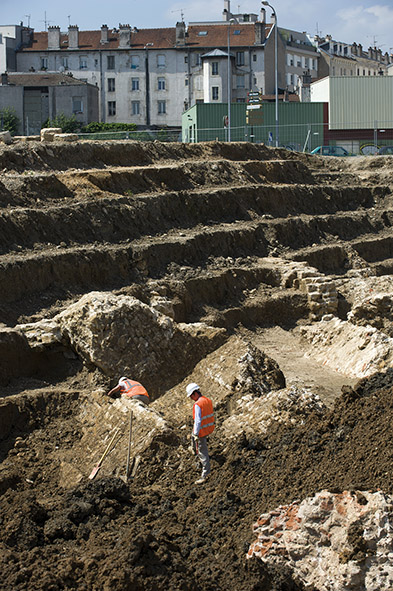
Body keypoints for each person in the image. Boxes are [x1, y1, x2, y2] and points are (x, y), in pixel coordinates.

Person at [186, 382, 215, 484]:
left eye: (191, 396)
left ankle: (205, 474)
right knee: (193, 433)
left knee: (203, 452)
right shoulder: (207, 400)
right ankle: (193, 448)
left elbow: (197, 421)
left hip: (202, 431)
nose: (191, 399)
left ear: (194, 393)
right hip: (209, 428)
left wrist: (196, 434)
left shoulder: (198, 404)